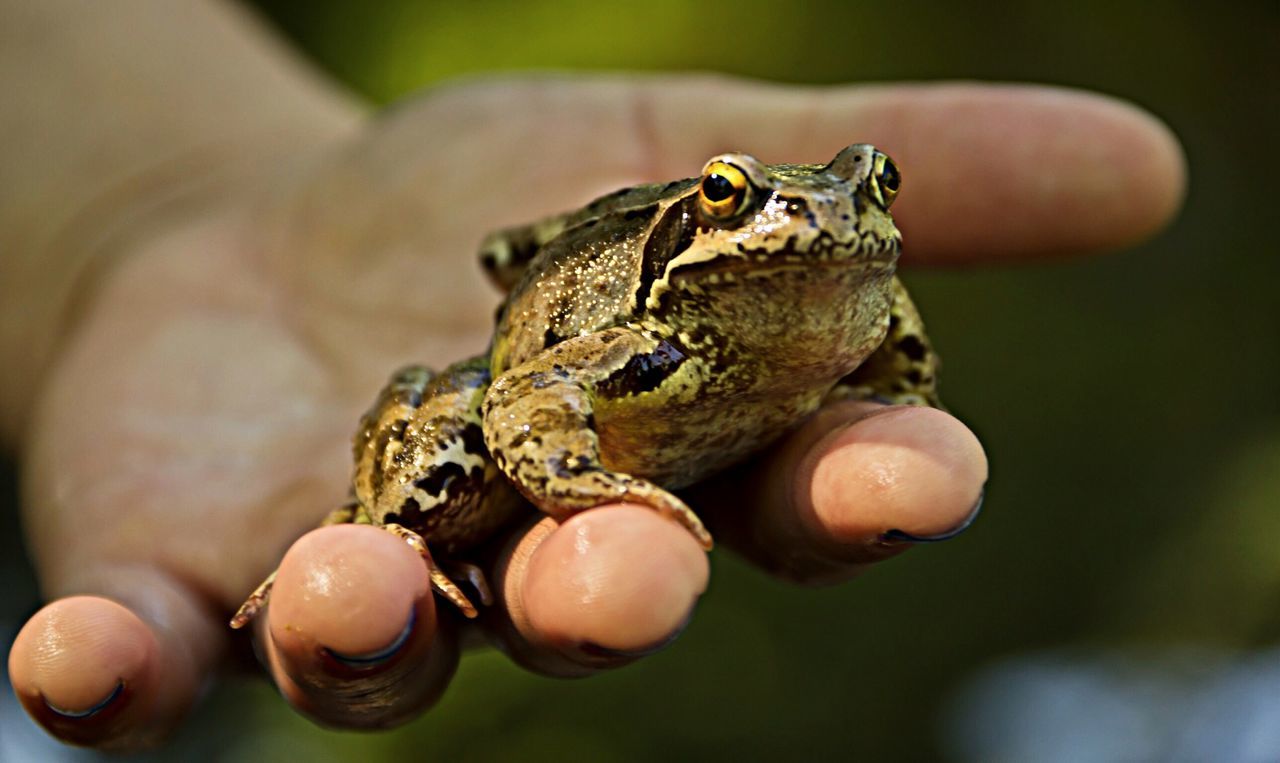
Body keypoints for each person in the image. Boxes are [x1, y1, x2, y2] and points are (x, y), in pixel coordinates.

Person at [0, 0, 1183, 751]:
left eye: (865, 189)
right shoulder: (650, 342)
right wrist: (588, 490)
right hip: (544, 349)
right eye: (730, 200)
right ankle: (378, 523)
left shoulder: (857, 291)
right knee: (436, 490)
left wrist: (902, 394)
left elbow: (896, 334)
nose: (816, 219)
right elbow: (523, 401)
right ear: (700, 216)